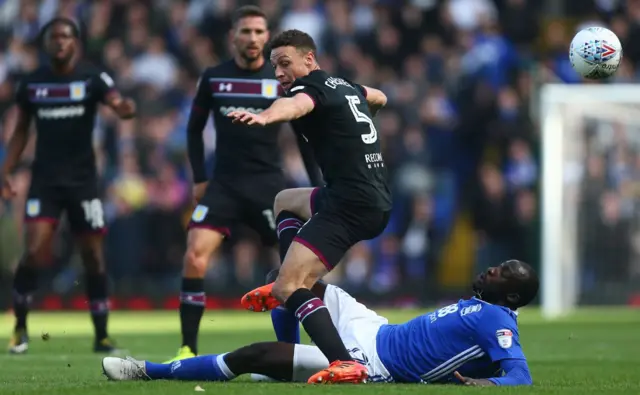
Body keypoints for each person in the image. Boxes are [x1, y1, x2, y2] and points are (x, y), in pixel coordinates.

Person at [226, 29, 391, 383]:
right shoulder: (345, 86)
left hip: (350, 205)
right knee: (286, 201)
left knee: (289, 286)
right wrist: (364, 113)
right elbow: (380, 96)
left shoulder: (309, 89)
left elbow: (295, 105)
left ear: (309, 59)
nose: (280, 73)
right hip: (365, 196)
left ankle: (345, 362)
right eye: (275, 67)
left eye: (285, 64)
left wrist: (266, 117)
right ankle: (286, 303)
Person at [102, 260, 538, 386]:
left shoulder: (498, 321)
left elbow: (519, 372)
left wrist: (492, 385)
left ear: (512, 295)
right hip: (376, 328)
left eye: (502, 274)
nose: (491, 271)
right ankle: (286, 369)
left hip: (374, 364)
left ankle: (146, 370)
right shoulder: (481, 305)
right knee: (289, 279)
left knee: (255, 355)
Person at [170, 7, 322, 363]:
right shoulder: (213, 77)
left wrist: (317, 186)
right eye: (246, 32)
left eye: (258, 32)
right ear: (233, 37)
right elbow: (193, 129)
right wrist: (199, 178)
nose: (253, 38)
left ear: (266, 37)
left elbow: (303, 136)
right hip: (222, 184)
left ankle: (293, 347)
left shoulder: (282, 82)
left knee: (290, 268)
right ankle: (188, 346)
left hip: (270, 187)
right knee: (194, 256)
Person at [1, 18, 136, 354]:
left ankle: (102, 335)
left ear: (76, 42)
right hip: (44, 182)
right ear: (47, 44)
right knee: (33, 251)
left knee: (92, 255)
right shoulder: (32, 83)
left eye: (65, 36)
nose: (60, 42)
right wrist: (6, 169)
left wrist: (123, 108)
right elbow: (20, 131)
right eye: (54, 37)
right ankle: (19, 329)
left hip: (83, 183)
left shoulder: (92, 78)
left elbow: (117, 99)